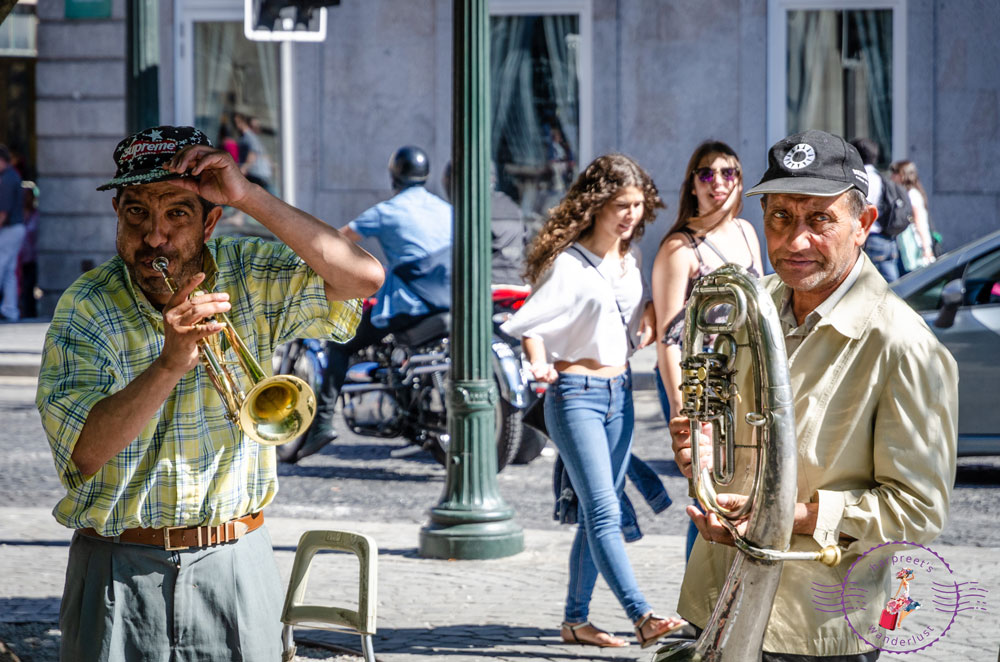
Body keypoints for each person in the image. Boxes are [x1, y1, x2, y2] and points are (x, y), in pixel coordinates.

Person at [35, 125, 384, 661]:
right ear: (118, 216)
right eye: (136, 214)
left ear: (210, 220)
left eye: (177, 214)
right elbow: (84, 454)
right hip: (116, 569)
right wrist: (171, 363)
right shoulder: (88, 304)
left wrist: (249, 195)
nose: (154, 237)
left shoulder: (247, 269)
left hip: (235, 562)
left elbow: (362, 278)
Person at [671, 130, 958, 660]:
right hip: (715, 599)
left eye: (819, 219)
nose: (794, 240)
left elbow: (918, 512)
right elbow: (727, 432)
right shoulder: (751, 303)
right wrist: (702, 454)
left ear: (864, 225)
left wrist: (790, 516)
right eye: (780, 217)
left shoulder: (906, 345)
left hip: (814, 628)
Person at [501, 154, 686, 650]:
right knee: (604, 510)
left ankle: (575, 622)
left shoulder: (631, 261)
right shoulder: (568, 263)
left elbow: (625, 318)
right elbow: (535, 321)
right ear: (596, 205)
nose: (630, 215)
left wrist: (647, 318)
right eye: (620, 205)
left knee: (591, 513)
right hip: (575, 396)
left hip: (619, 394)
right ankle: (642, 615)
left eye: (637, 205)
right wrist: (537, 361)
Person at [301, 145, 453, 457]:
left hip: (413, 305)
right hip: (451, 303)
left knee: (341, 343)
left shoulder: (386, 211)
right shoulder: (445, 209)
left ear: (394, 175)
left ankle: (322, 424)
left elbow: (336, 242)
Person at [650, 140, 762, 560]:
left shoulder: (748, 233)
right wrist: (683, 407)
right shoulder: (680, 247)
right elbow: (667, 338)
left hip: (746, 376)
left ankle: (729, 593)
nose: (718, 182)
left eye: (729, 173)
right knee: (706, 491)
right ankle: (700, 608)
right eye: (707, 174)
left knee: (744, 486)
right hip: (700, 383)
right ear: (692, 184)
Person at [850, 138, 901, 282]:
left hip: (870, 237)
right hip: (886, 237)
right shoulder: (880, 177)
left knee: (869, 284)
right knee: (892, 283)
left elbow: (861, 208)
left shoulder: (863, 179)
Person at [889, 160, 936, 274]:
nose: (892, 176)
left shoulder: (912, 194)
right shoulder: (907, 193)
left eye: (895, 173)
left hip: (914, 245)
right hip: (906, 245)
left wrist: (926, 248)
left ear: (903, 175)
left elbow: (919, 222)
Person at [0, 144, 26, 321]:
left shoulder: (8, 178)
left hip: (10, 228)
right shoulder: (12, 176)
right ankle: (10, 309)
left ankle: (10, 309)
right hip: (15, 228)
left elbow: (3, 211)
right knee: (9, 272)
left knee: (2, 267)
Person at [233, 113, 274, 191]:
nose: (237, 125)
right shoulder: (250, 137)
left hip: (256, 174)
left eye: (238, 122)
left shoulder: (248, 136)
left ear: (244, 122)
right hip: (259, 174)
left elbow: (253, 154)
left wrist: (243, 169)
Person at [17, 181, 39, 318]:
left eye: (28, 195)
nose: (25, 198)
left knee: (29, 287)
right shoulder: (16, 215)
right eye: (23, 195)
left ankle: (29, 314)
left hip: (32, 258)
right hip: (17, 258)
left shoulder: (37, 215)